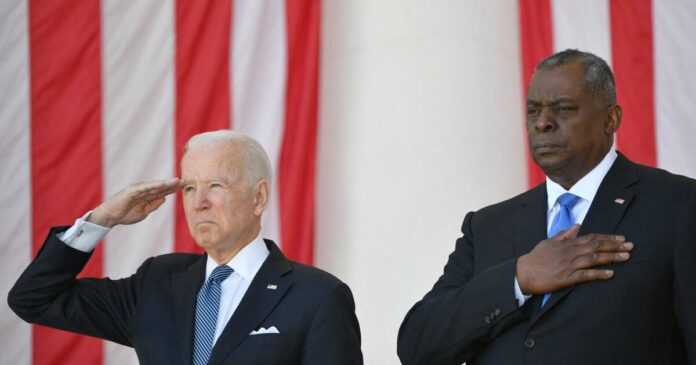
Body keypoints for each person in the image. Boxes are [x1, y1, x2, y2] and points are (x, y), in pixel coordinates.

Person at [397, 49, 696, 365]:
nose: (542, 123)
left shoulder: (678, 206)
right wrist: (518, 278)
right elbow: (419, 346)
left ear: (611, 119)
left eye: (563, 109)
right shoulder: (487, 226)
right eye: (533, 111)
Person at [8, 130, 363, 365]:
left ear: (259, 197)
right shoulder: (157, 283)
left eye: (215, 185)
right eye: (190, 188)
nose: (199, 202)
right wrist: (102, 219)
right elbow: (34, 298)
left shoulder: (318, 297)